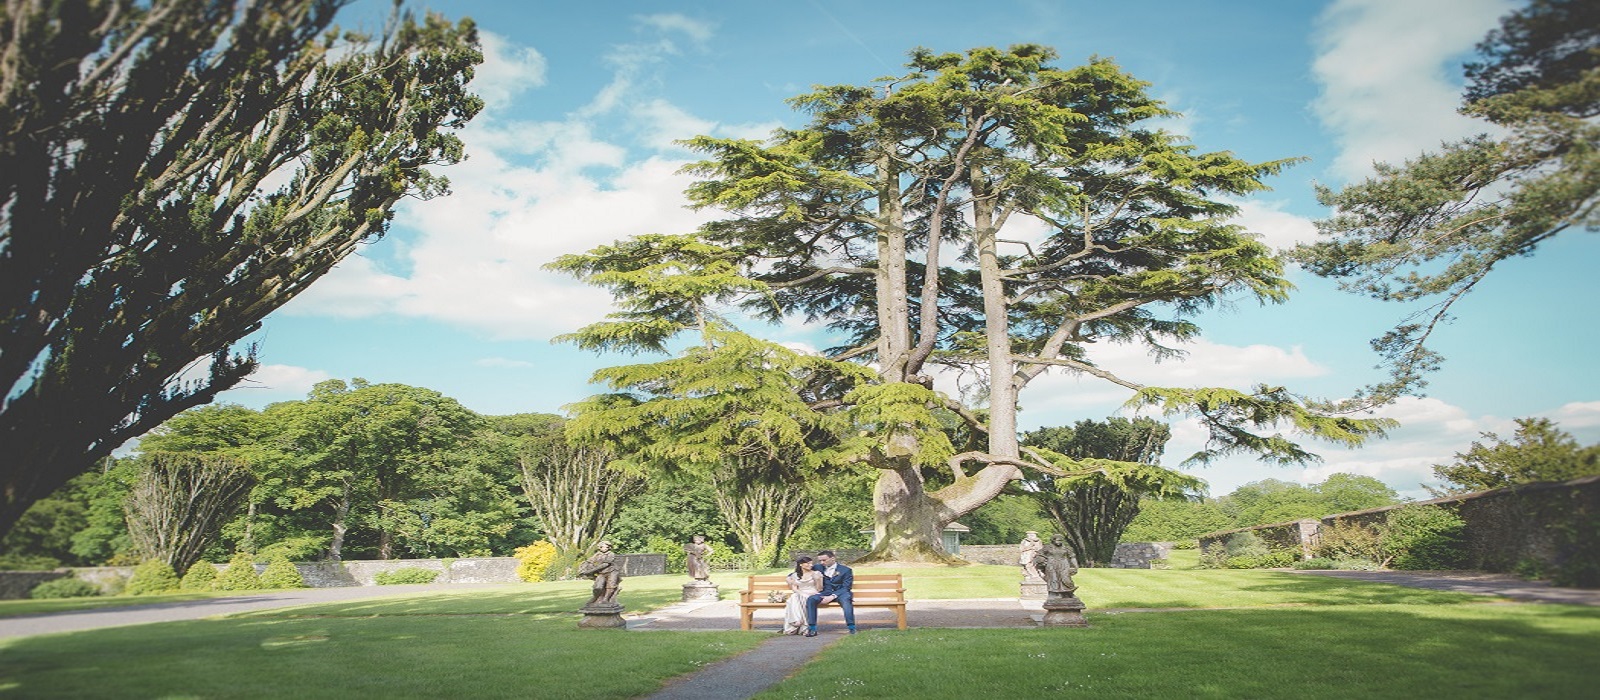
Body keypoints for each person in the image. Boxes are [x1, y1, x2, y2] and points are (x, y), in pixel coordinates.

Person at [804, 550, 855, 636]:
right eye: (820, 560)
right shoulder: (817, 567)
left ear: (833, 558)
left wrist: (833, 596)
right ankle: (812, 628)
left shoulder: (846, 570)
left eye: (824, 560)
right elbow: (800, 570)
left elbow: (846, 587)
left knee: (846, 600)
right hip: (824, 592)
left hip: (841, 593)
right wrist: (790, 577)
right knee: (811, 599)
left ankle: (851, 628)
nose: (822, 562)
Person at [782, 556, 821, 635]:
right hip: (800, 593)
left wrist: (817, 579)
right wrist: (801, 593)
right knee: (795, 596)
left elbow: (819, 589)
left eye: (811, 563)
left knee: (796, 598)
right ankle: (800, 623)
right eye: (808, 563)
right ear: (801, 564)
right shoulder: (794, 575)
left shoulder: (816, 573)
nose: (811, 565)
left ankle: (797, 622)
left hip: (812, 593)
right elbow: (794, 589)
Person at [578, 540, 621, 607]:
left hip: (612, 571)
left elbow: (605, 564)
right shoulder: (598, 554)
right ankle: (595, 598)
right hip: (602, 572)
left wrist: (591, 571)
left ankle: (606, 600)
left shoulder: (611, 554)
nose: (605, 548)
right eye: (603, 547)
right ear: (600, 548)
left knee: (611, 586)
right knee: (597, 587)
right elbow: (589, 561)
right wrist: (583, 567)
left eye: (607, 547)